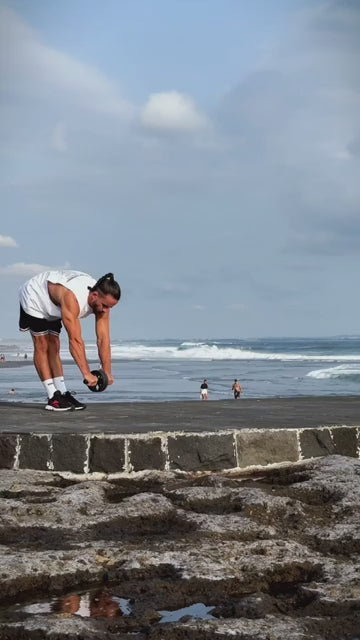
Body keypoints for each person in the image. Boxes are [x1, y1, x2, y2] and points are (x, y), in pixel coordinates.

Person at [18, 270, 121, 411]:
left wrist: (107, 371)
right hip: (36, 296)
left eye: (110, 307)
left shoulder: (102, 303)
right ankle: (52, 396)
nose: (106, 310)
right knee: (42, 344)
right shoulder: (72, 298)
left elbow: (103, 339)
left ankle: (62, 392)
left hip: (56, 303)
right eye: (104, 305)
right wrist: (86, 373)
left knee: (54, 344)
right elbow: (75, 340)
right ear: (95, 295)